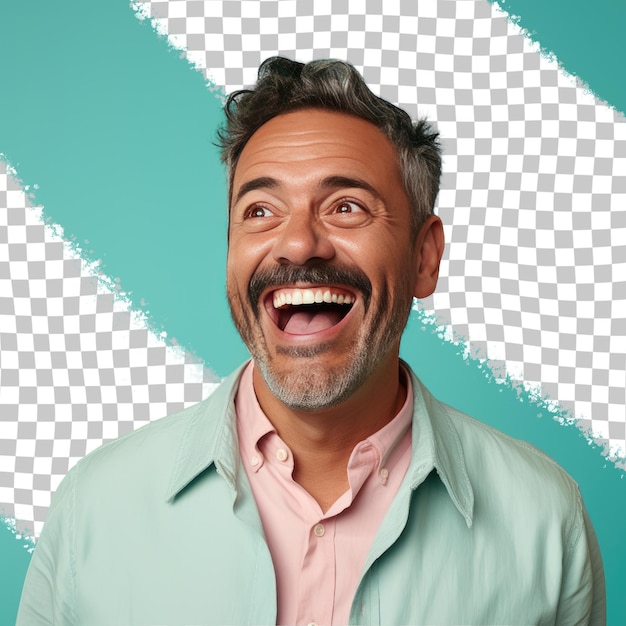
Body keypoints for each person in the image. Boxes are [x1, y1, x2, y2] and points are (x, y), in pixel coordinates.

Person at [17, 57, 605, 625]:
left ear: (425, 257)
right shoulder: (93, 510)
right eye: (261, 210)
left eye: (346, 207)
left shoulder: (546, 519)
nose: (298, 244)